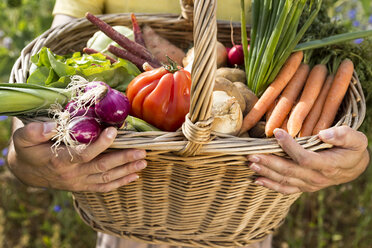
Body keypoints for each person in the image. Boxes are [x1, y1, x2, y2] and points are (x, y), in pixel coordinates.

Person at [6, 0, 370, 247]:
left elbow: (344, 144)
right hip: (125, 210)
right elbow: (50, 64)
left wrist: (348, 162)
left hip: (244, 211)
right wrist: (26, 161)